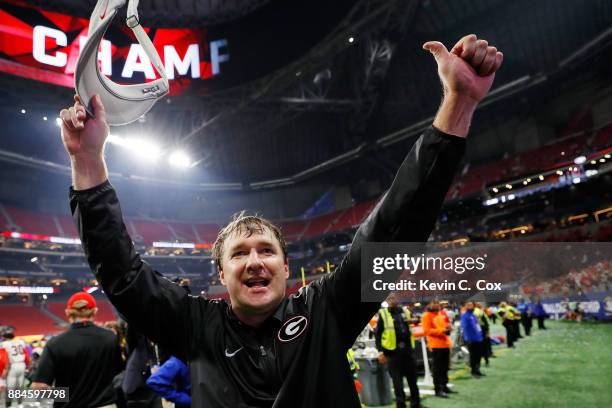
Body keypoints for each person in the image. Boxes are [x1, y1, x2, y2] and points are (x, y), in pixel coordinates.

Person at [60, 34, 503, 406]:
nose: (255, 261)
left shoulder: (326, 310)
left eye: (267, 250)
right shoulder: (195, 325)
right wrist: (87, 160)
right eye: (239, 253)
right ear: (222, 273)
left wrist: (458, 104)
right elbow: (121, 272)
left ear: (287, 269)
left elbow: (396, 225)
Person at [31, 292, 124, 408]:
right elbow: (120, 372)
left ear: (67, 312)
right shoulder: (111, 338)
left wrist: (67, 394)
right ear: (95, 311)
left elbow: (38, 387)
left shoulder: (55, 343)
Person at [375, 293, 422, 407]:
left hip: (407, 351)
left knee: (412, 380)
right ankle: (401, 405)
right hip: (392, 353)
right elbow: (378, 335)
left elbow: (416, 320)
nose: (391, 300)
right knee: (397, 382)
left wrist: (415, 320)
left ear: (397, 299)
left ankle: (416, 404)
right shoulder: (383, 314)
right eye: (389, 299)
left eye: (393, 298)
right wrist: (380, 352)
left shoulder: (405, 311)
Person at [421, 301, 454, 398]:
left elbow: (443, 327)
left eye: (437, 303)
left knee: (445, 367)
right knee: (437, 369)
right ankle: (438, 389)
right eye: (433, 303)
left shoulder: (439, 314)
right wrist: (442, 331)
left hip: (445, 343)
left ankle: (444, 386)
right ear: (428, 305)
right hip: (435, 345)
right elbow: (427, 330)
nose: (436, 305)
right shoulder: (426, 316)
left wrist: (447, 328)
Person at [1, 330, 30, 407]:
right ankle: (20, 404)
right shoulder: (20, 342)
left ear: (4, 337)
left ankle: (9, 405)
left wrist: (4, 369)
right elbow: (26, 354)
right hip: (22, 364)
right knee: (20, 386)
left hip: (12, 366)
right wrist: (27, 365)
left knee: (10, 387)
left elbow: (3, 357)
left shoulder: (4, 344)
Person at [460, 301, 484, 377]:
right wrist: (468, 338)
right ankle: (473, 371)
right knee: (473, 356)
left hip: (478, 338)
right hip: (471, 339)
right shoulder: (464, 316)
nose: (470, 306)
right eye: (468, 305)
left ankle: (478, 370)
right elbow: (464, 327)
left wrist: (480, 335)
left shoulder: (473, 315)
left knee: (479, 356)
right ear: (465, 306)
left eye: (471, 305)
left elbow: (477, 326)